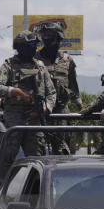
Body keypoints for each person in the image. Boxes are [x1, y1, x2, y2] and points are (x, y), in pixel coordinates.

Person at [0, 31, 57, 168]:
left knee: (38, 161)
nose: (35, 48)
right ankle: (2, 186)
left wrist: (45, 107)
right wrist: (15, 91)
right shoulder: (8, 65)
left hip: (35, 119)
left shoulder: (40, 66)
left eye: (36, 45)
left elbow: (51, 93)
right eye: (32, 44)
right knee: (6, 158)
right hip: (13, 118)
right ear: (21, 46)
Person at [35, 22, 83, 155]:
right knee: (37, 150)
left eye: (50, 35)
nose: (46, 38)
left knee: (62, 151)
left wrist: (81, 109)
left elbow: (73, 86)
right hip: (40, 112)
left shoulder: (68, 60)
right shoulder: (34, 59)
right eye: (44, 35)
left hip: (61, 111)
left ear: (58, 37)